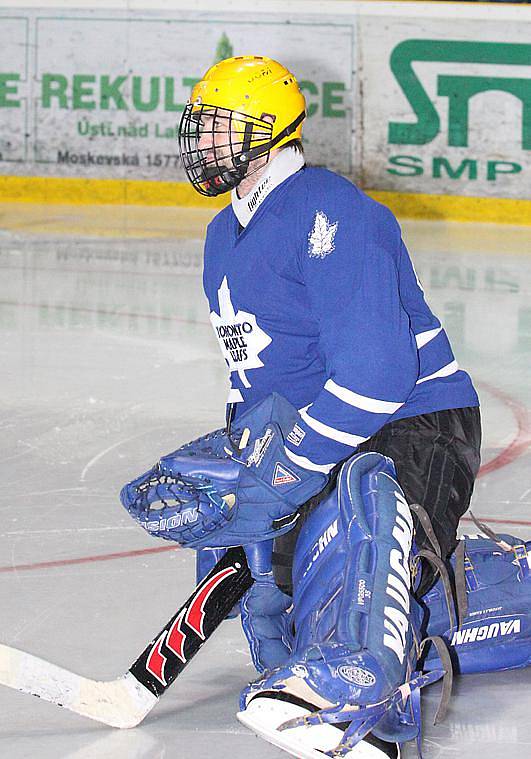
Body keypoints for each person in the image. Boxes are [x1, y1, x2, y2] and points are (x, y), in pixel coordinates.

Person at [126, 55, 483, 758]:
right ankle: (460, 599)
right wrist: (248, 482)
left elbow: (378, 375)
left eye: (220, 130)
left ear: (270, 133)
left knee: (363, 503)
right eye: (199, 131)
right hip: (324, 434)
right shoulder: (221, 235)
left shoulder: (332, 208)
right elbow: (252, 381)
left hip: (415, 423)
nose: (202, 146)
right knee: (281, 590)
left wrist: (289, 467)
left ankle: (351, 683)